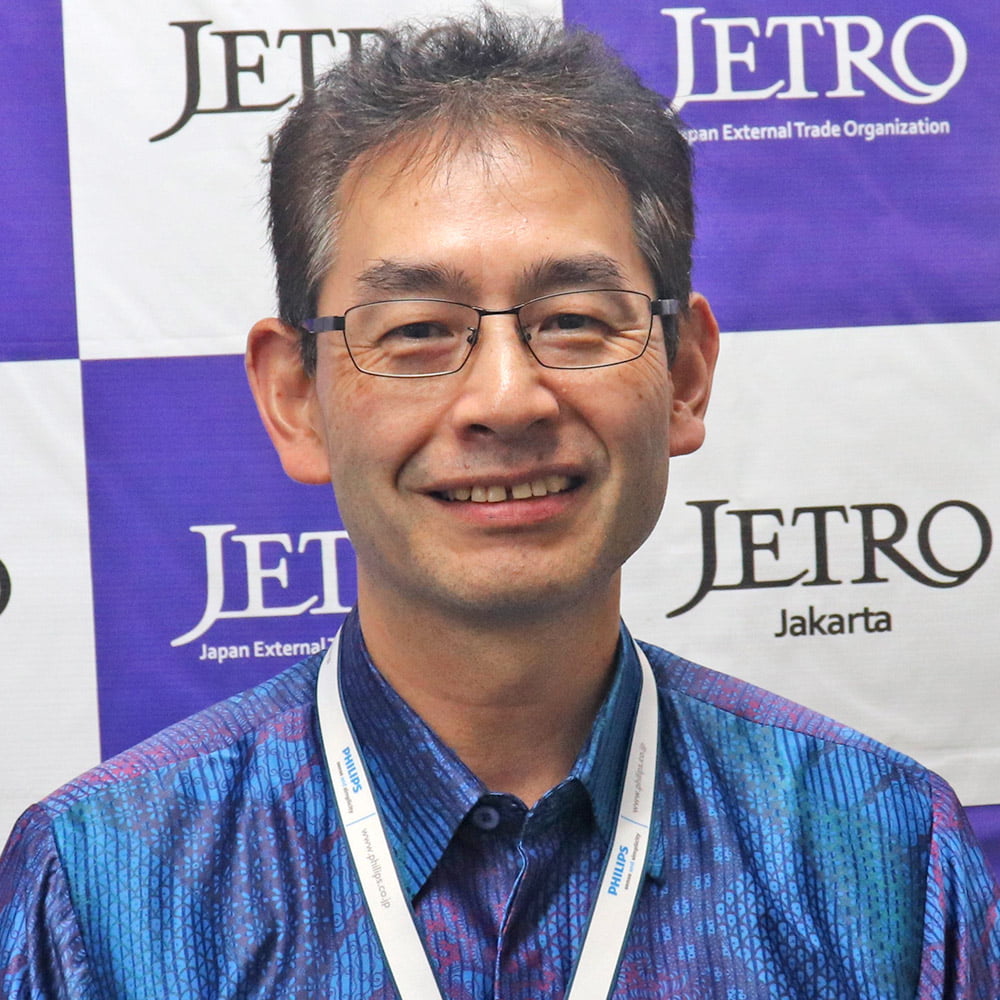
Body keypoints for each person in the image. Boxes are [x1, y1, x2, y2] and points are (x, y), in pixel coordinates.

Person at [1, 10, 998, 999]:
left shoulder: (882, 857)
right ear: (296, 397)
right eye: (417, 330)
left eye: (573, 319)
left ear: (685, 375)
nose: (507, 398)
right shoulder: (104, 884)